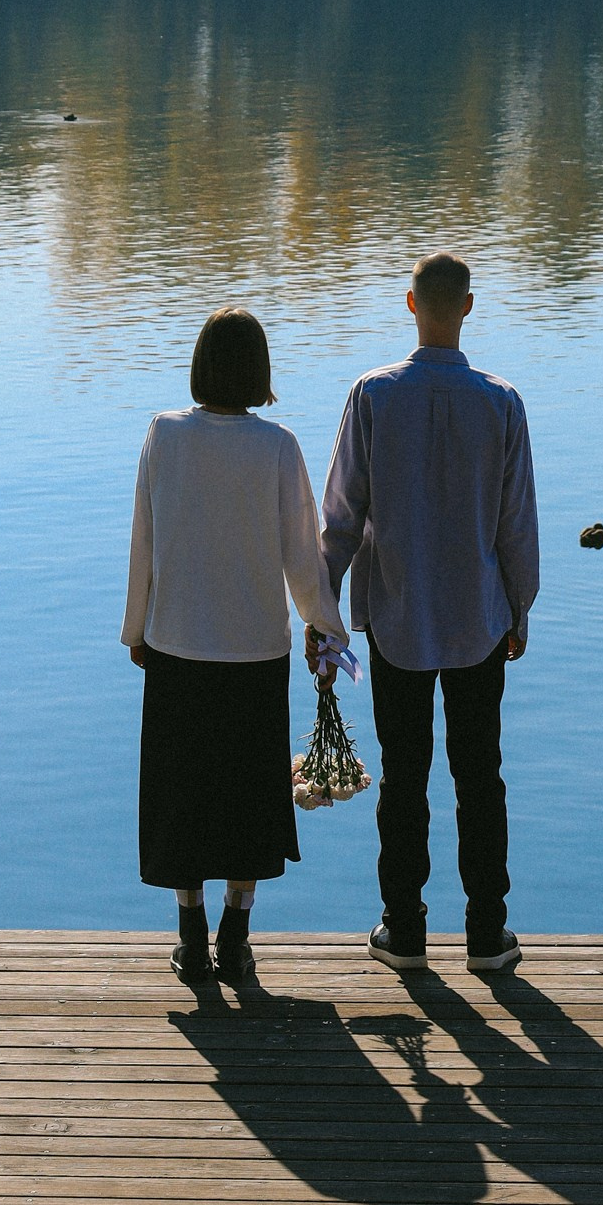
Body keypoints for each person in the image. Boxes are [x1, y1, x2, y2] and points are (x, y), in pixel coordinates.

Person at [318, 249, 539, 977]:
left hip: (396, 616)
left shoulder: (372, 396)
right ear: (468, 307)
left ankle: (404, 930)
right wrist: (520, 608)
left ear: (409, 305)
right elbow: (516, 525)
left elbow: (342, 518)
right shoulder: (502, 402)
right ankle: (487, 935)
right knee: (482, 775)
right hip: (479, 617)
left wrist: (321, 611)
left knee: (403, 775)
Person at [123, 304, 343, 989]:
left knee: (180, 792)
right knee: (248, 794)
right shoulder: (276, 447)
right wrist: (325, 627)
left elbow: (143, 542)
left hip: (176, 642)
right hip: (253, 648)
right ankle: (237, 934)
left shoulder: (164, 435)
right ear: (260, 373)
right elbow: (302, 556)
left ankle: (189, 935)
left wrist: (136, 630)